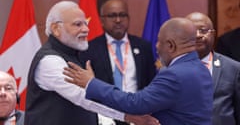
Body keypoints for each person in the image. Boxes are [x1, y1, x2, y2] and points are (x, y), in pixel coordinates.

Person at [24, 0, 159, 125]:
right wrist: (128, 115)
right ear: (55, 28)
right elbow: (83, 97)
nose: (86, 29)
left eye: (86, 24)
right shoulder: (50, 61)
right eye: (78, 24)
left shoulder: (73, 54)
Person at [64, 17, 214, 125]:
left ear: (170, 46)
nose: (156, 46)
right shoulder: (201, 68)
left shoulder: (174, 75)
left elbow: (136, 103)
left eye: (159, 41)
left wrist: (91, 83)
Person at [79, 0, 156, 125]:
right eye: (112, 16)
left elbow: (150, 82)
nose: (118, 20)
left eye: (122, 15)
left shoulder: (143, 46)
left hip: (138, 115)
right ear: (102, 20)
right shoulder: (89, 49)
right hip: (106, 116)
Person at [186, 12, 240, 125]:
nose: (198, 35)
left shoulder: (233, 69)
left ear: (213, 34)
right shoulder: (168, 69)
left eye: (203, 30)